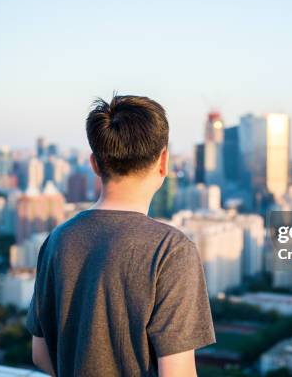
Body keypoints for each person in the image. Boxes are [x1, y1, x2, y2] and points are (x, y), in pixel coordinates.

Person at [26, 95, 216, 376]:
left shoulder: (57, 240)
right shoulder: (171, 250)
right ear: (163, 162)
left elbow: (39, 354)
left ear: (94, 163)